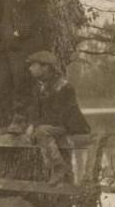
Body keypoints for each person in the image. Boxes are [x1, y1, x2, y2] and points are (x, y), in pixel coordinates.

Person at [0, 0, 45, 133]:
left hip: (22, 48)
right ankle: (8, 122)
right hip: (4, 48)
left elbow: (39, 19)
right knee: (1, 86)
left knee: (21, 84)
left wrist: (19, 33)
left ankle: (20, 122)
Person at [23, 50, 91, 185]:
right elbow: (34, 110)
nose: (30, 68)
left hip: (69, 126)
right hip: (52, 127)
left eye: (33, 65)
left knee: (41, 132)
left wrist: (36, 126)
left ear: (45, 67)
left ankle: (58, 167)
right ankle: (57, 172)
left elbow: (58, 116)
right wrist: (31, 124)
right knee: (39, 132)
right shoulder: (38, 86)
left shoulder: (64, 87)